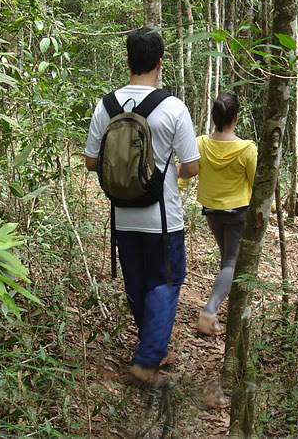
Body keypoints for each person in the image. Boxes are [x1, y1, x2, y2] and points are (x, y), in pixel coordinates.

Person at [84, 27, 200, 385]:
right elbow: (192, 166)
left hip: (122, 214)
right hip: (162, 217)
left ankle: (151, 344)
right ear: (160, 63)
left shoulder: (106, 105)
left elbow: (91, 162)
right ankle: (147, 360)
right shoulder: (173, 107)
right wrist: (163, 172)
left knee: (136, 284)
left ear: (129, 60)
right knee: (165, 281)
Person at [182, 93, 257, 335]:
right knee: (232, 263)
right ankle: (210, 311)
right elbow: (258, 184)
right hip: (238, 212)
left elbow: (185, 172)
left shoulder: (200, 143)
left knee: (228, 261)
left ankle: (228, 303)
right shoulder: (247, 149)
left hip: (212, 211)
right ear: (236, 118)